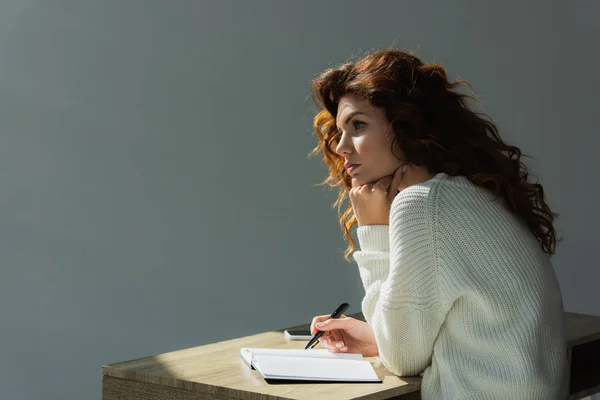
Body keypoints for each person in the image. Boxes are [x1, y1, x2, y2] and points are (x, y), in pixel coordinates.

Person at [307, 49, 567, 399]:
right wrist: (375, 337)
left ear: (405, 125)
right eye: (339, 130)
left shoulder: (423, 204)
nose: (341, 147)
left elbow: (402, 359)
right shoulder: (466, 191)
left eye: (358, 125)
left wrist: (374, 231)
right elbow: (451, 333)